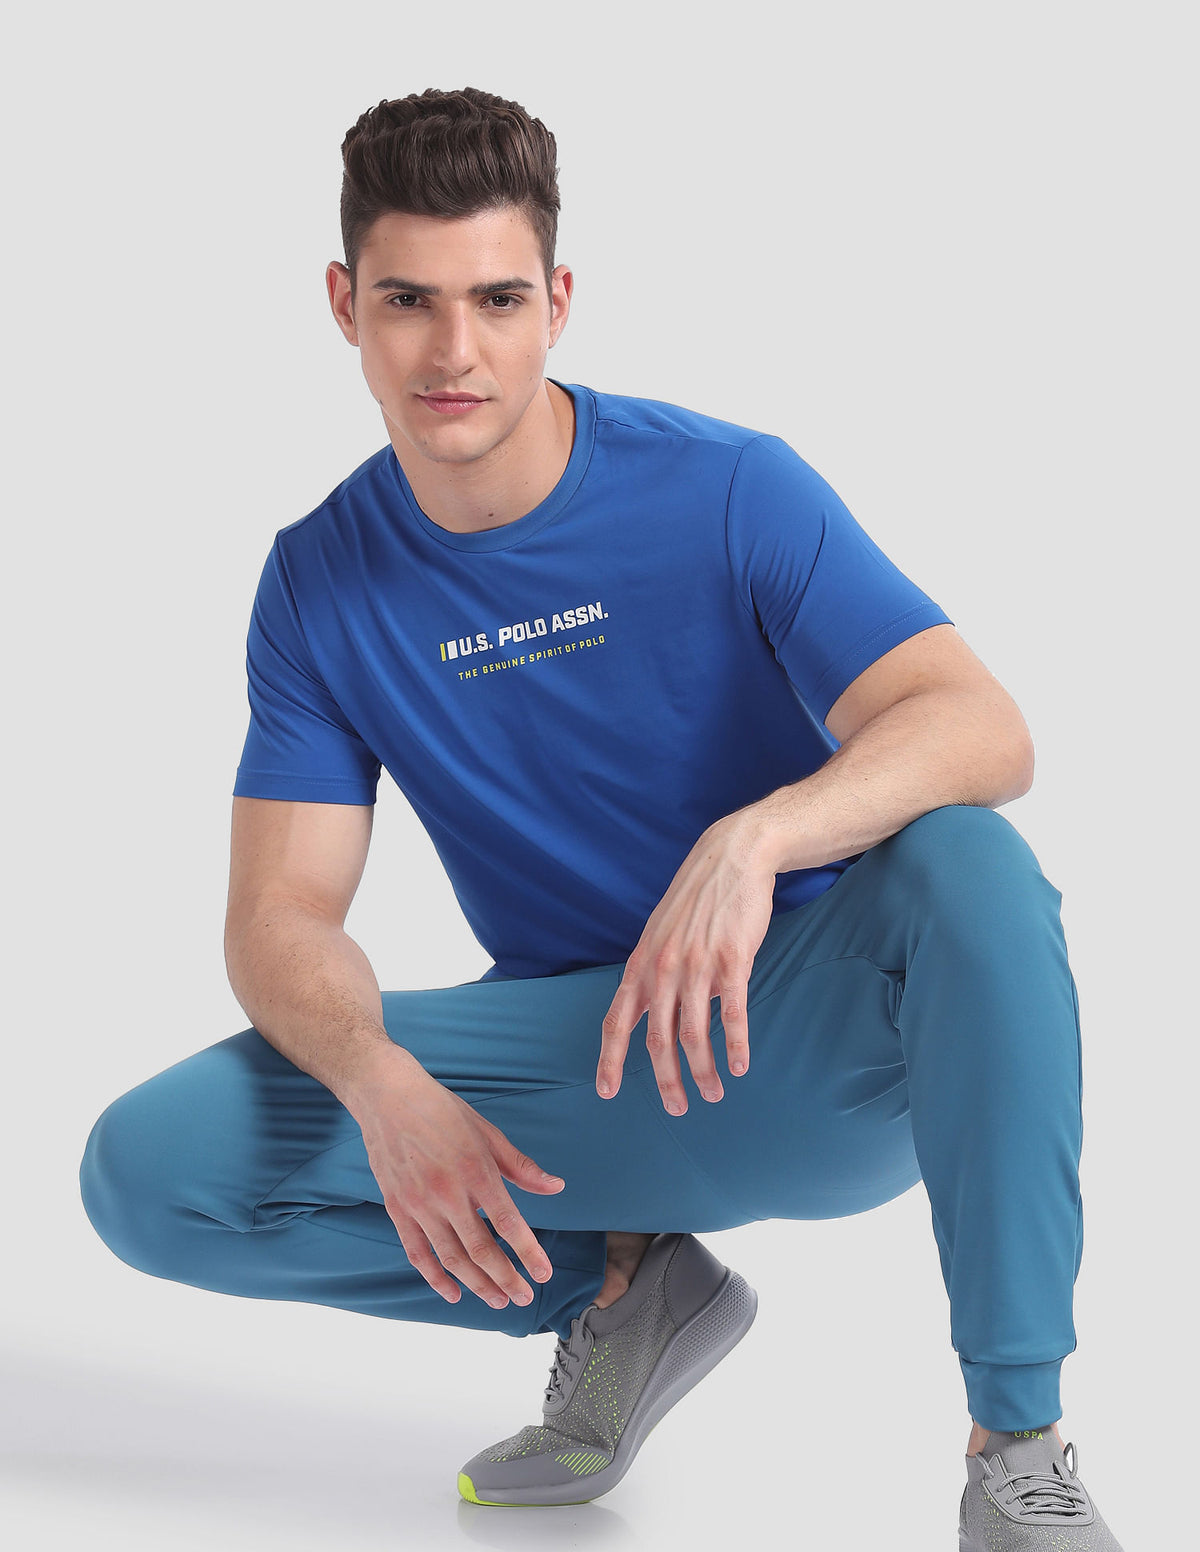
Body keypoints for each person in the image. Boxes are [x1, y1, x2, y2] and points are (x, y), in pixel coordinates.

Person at [78, 86, 1124, 1547]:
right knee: (151, 1173)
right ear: (344, 306)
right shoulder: (317, 582)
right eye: (409, 300)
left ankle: (1017, 1447)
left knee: (971, 862)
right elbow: (278, 916)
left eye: (498, 299)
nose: (454, 351)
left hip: (823, 1035)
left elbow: (982, 725)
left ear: (557, 303)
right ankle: (628, 1287)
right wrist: (380, 1085)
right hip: (587, 1063)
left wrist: (758, 837)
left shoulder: (729, 488)